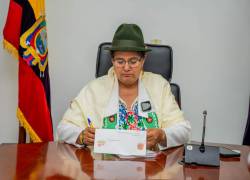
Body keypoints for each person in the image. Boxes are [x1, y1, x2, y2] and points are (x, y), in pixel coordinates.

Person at [57, 23, 191, 150]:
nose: (126, 67)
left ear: (143, 60)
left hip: (151, 169)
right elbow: (63, 128)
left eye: (133, 61)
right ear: (112, 60)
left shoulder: (159, 86)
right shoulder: (94, 89)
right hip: (104, 169)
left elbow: (184, 130)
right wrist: (81, 136)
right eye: (120, 61)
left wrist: (162, 135)